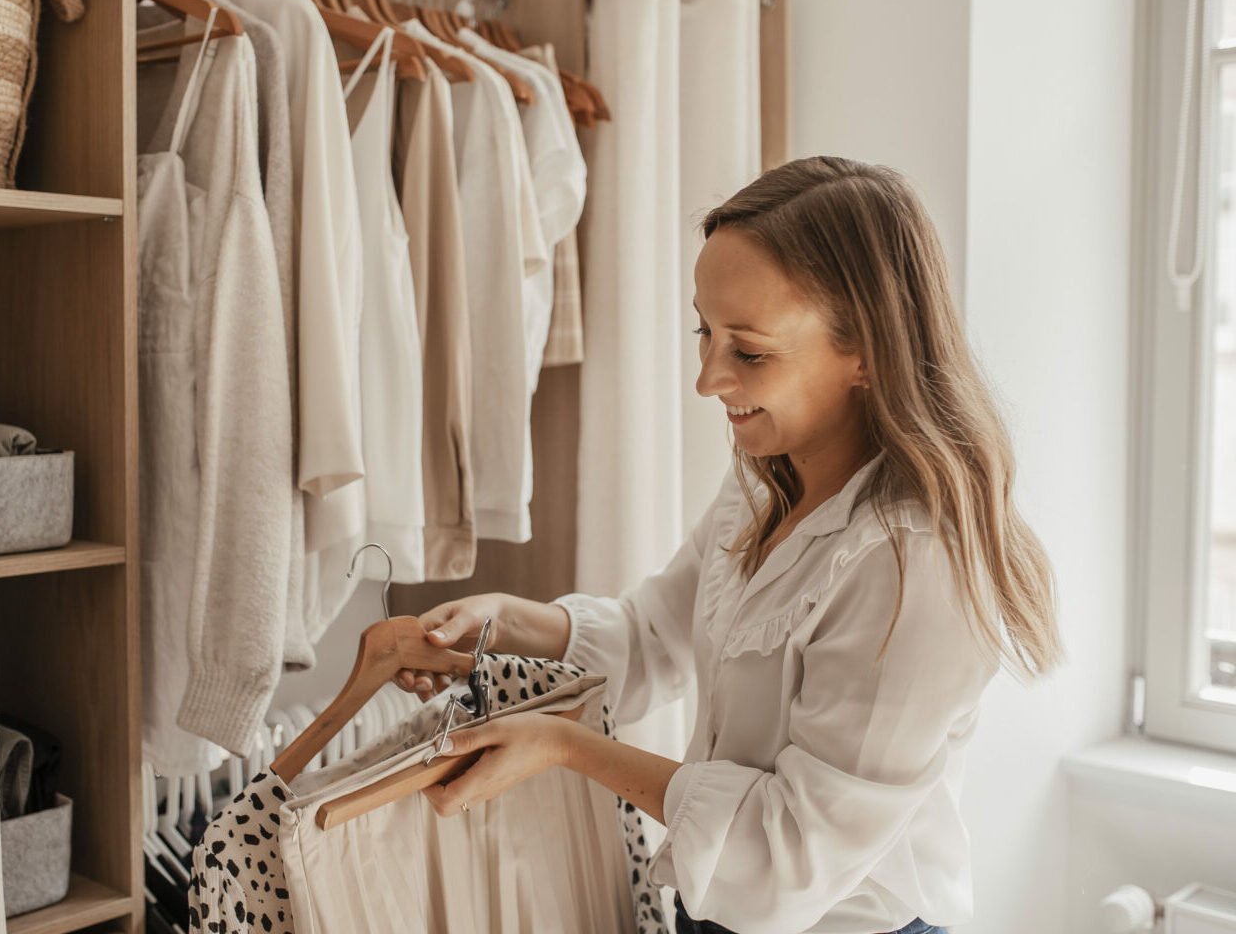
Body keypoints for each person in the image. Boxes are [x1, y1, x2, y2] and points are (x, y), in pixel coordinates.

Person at [392, 156, 1062, 934]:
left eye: (748, 351)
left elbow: (785, 854)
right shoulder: (765, 475)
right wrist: (506, 624)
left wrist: (564, 746)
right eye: (704, 332)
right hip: (709, 913)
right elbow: (656, 635)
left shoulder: (918, 564)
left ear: (867, 352)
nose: (708, 380)